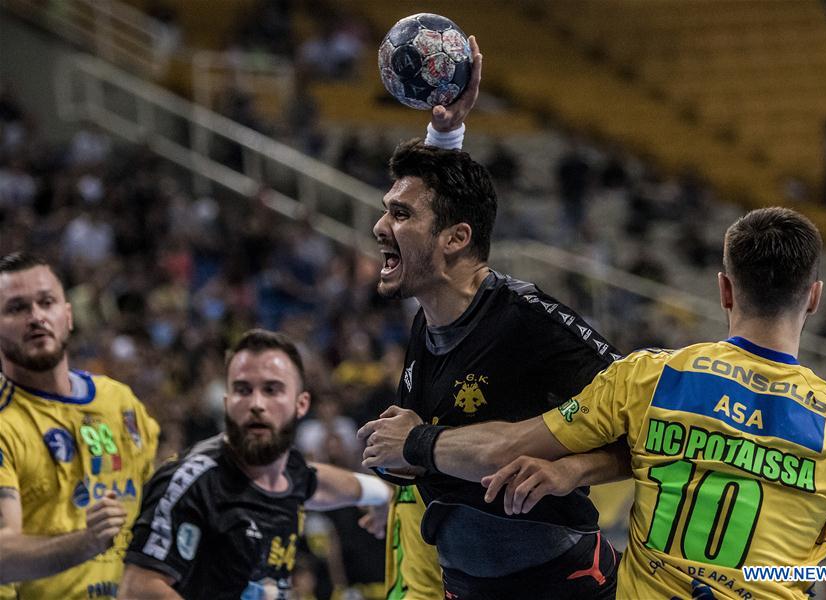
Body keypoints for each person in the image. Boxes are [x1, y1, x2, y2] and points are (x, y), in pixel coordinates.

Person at [366, 207, 826, 599]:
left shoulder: (649, 377)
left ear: (724, 291)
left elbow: (508, 445)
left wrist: (417, 441)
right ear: (814, 297)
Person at [357, 35, 629, 595]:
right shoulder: (429, 317)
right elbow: (450, 209)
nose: (381, 226)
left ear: (457, 241)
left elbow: (649, 423)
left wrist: (574, 469)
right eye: (386, 210)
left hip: (566, 585)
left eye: (398, 213)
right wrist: (445, 135)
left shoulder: (530, 322)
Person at [119, 328, 392, 599]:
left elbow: (319, 483)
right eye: (243, 390)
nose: (257, 403)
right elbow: (138, 588)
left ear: (301, 404)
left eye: (272, 389)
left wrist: (380, 495)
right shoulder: (191, 483)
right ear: (227, 403)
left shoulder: (291, 470)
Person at [0, 252, 160, 600]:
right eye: (16, 308)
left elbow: (156, 490)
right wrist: (86, 542)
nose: (36, 317)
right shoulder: (4, 424)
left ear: (68, 315)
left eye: (47, 302)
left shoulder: (119, 401)